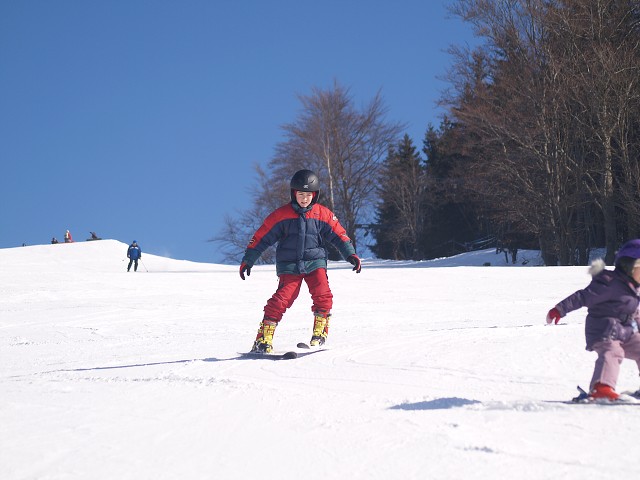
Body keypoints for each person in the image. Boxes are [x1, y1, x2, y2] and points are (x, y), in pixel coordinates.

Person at [239, 169, 361, 353]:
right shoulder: (281, 215)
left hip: (315, 262)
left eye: (308, 195)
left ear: (315, 195)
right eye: (301, 194)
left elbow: (339, 234)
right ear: (293, 194)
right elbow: (262, 236)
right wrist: (249, 259)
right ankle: (263, 338)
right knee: (282, 299)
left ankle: (320, 332)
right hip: (290, 265)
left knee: (323, 293)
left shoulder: (322, 214)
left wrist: (350, 254)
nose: (304, 199)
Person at [546, 239, 640, 401]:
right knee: (612, 352)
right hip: (603, 330)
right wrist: (559, 310)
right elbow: (582, 297)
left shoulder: (633, 289)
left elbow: (634, 314)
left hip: (625, 332)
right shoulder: (609, 283)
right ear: (628, 267)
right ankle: (601, 387)